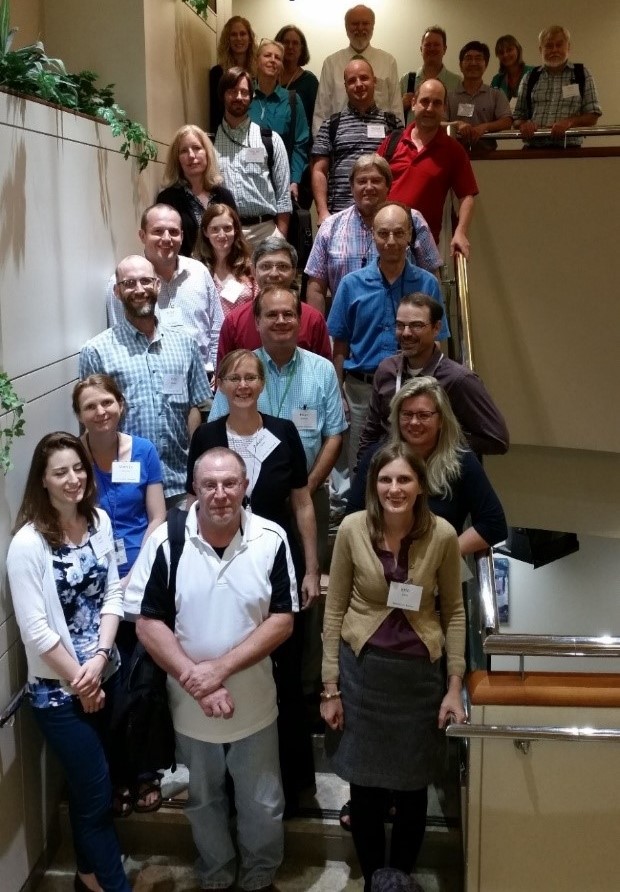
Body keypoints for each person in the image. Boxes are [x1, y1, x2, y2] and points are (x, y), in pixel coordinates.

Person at [134, 447, 298, 892]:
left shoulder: (271, 539)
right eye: (210, 484)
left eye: (230, 483)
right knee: (203, 799)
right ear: (194, 488)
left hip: (255, 705)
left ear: (245, 486)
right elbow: (147, 622)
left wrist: (218, 669)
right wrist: (198, 680)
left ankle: (259, 877)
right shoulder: (166, 542)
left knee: (262, 801)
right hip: (189, 709)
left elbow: (283, 618)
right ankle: (216, 875)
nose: (221, 494)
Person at [321, 441, 467, 892]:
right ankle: (372, 882)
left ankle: (397, 881)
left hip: (418, 680)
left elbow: (456, 612)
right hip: (363, 675)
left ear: (421, 485)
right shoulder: (350, 529)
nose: (394, 488)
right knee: (364, 790)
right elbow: (334, 609)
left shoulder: (442, 535)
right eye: (385, 479)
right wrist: (330, 687)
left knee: (411, 788)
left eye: (404, 479)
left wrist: (453, 687)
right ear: (373, 485)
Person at [186, 349, 319, 815]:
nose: (242, 385)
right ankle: (229, 787)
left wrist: (312, 569)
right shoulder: (205, 436)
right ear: (220, 383)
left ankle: (296, 783)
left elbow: (303, 504)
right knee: (229, 666)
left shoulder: (284, 433)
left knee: (286, 673)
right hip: (223, 570)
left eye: (251, 378)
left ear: (262, 383)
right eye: (233, 378)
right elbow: (193, 506)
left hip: (278, 568)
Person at [7, 432, 131, 892]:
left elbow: (113, 593)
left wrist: (99, 659)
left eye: (78, 468)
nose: (73, 479)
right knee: (97, 798)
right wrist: (82, 682)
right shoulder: (28, 544)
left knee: (89, 795)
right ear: (42, 479)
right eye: (60, 472)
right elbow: (36, 631)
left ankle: (87, 878)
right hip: (58, 694)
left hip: (104, 674)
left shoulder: (97, 519)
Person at [73, 373, 167, 815]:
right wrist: (110, 578)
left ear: (121, 405)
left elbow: (156, 520)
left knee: (143, 682)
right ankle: (117, 777)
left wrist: (133, 575)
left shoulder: (144, 452)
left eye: (107, 402)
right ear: (80, 415)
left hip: (140, 579)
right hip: (94, 586)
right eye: (90, 406)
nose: (101, 412)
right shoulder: (74, 460)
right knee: (108, 686)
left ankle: (146, 772)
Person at [327, 200, 447, 476]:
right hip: (361, 392)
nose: (390, 241)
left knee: (418, 466)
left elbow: (439, 343)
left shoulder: (427, 284)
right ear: (372, 235)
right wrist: (339, 393)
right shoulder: (351, 284)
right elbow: (340, 345)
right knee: (363, 466)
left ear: (409, 236)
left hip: (415, 390)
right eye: (383, 233)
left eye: (398, 233)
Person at [81, 254, 212, 505]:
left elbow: (195, 405)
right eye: (129, 283)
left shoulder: (185, 344)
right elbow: (90, 423)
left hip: (179, 481)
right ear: (117, 292)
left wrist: (192, 461)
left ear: (157, 286)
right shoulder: (97, 350)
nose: (139, 289)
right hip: (126, 483)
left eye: (145, 281)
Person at [349, 376, 508, 555]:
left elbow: (494, 525)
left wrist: (440, 556)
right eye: (407, 414)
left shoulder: (462, 461)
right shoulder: (376, 457)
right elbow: (353, 517)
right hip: (380, 564)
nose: (414, 422)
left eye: (423, 415)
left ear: (441, 420)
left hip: (437, 570)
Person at [358, 293, 509, 458]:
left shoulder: (459, 380)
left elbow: (497, 440)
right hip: (397, 475)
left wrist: (435, 441)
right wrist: (364, 475)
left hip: (440, 475)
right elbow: (370, 434)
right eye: (400, 325)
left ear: (436, 328)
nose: (406, 333)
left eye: (416, 325)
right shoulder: (386, 370)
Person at [305, 154, 442, 316]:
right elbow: (316, 287)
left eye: (376, 181)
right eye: (362, 181)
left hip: (403, 331)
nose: (369, 187)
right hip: (348, 331)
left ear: (388, 186)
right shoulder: (330, 227)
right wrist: (320, 336)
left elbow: (432, 277)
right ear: (351, 187)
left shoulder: (413, 220)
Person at [105, 204, 224, 373]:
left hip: (204, 381)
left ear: (182, 236)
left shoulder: (199, 272)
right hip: (151, 384)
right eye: (158, 231)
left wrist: (219, 372)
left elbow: (217, 329)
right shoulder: (125, 283)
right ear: (142, 235)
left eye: (174, 232)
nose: (167, 238)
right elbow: (119, 339)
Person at [378, 79, 478, 256]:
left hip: (422, 246)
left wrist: (461, 232)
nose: (430, 108)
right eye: (425, 101)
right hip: (385, 242)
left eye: (437, 103)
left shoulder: (453, 150)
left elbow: (467, 196)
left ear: (444, 108)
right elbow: (373, 184)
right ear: (414, 103)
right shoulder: (392, 142)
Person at [216, 237, 332, 366]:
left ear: (294, 272)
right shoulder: (234, 321)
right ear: (253, 271)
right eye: (265, 266)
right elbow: (224, 376)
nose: (274, 274)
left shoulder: (313, 319)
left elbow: (325, 372)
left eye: (283, 266)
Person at [311, 58, 402, 222]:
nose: (358, 84)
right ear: (345, 86)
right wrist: (322, 211)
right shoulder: (331, 125)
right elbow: (319, 170)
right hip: (339, 216)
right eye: (352, 81)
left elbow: (401, 172)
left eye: (364, 78)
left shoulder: (393, 124)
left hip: (383, 218)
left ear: (374, 81)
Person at [214, 67, 292, 248]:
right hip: (225, 234)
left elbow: (283, 195)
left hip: (265, 231)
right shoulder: (210, 143)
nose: (239, 97)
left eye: (244, 92)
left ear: (251, 97)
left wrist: (280, 236)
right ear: (222, 95)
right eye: (232, 91)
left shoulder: (270, 140)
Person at [312, 5, 401, 136]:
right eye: (355, 24)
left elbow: (396, 108)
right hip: (340, 143)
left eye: (365, 23)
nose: (360, 28)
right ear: (346, 28)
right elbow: (321, 111)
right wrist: (322, 150)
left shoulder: (388, 62)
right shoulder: (331, 63)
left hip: (380, 143)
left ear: (373, 26)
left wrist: (397, 146)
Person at [514, 25, 602, 148]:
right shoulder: (529, 78)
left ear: (568, 47)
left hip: (569, 151)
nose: (554, 50)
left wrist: (569, 122)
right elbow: (517, 117)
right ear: (541, 50)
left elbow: (593, 115)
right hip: (533, 152)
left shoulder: (582, 74)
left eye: (559, 45)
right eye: (549, 46)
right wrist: (524, 125)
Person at [156, 125, 237, 257]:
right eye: (183, 151)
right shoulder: (167, 199)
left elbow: (236, 239)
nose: (191, 155)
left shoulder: (224, 196)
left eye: (197, 148)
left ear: (207, 153)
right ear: (177, 159)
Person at [249, 39, 309, 203]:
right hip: (247, 179)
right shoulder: (244, 97)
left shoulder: (292, 100)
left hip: (281, 182)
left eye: (277, 58)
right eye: (267, 55)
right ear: (256, 61)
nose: (272, 60)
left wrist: (294, 180)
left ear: (281, 65)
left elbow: (300, 143)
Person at [193, 202, 258, 318]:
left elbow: (260, 307)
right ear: (205, 232)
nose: (222, 235)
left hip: (244, 332)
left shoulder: (250, 267)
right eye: (215, 229)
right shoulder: (196, 270)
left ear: (236, 230)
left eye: (227, 228)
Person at [446, 42, 513, 151]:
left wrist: (485, 127)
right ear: (460, 65)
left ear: (485, 65)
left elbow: (507, 121)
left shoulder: (496, 94)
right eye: (468, 58)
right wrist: (457, 124)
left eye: (478, 58)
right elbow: (440, 122)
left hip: (487, 158)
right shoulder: (448, 96)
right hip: (454, 157)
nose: (473, 63)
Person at [400, 26, 461, 124]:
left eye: (436, 45)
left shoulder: (457, 82)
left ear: (444, 49)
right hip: (410, 138)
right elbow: (394, 116)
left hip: (443, 138)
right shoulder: (407, 80)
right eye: (428, 45)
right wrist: (401, 105)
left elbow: (460, 117)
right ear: (421, 49)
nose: (432, 48)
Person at [209, 15, 257, 134]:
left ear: (250, 38)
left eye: (243, 34)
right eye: (233, 34)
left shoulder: (258, 73)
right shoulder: (217, 73)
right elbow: (215, 114)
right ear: (227, 39)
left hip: (255, 135)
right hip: (227, 135)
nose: (238, 38)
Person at [274, 25, 319, 134]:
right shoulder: (268, 77)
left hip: (299, 144)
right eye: (286, 42)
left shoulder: (310, 82)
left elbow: (316, 119)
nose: (290, 46)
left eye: (295, 43)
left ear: (301, 48)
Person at [491, 35, 534, 107]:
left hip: (529, 117)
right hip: (504, 117)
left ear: (518, 50)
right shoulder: (497, 80)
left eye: (509, 50)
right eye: (501, 52)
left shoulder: (533, 73)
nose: (505, 55)